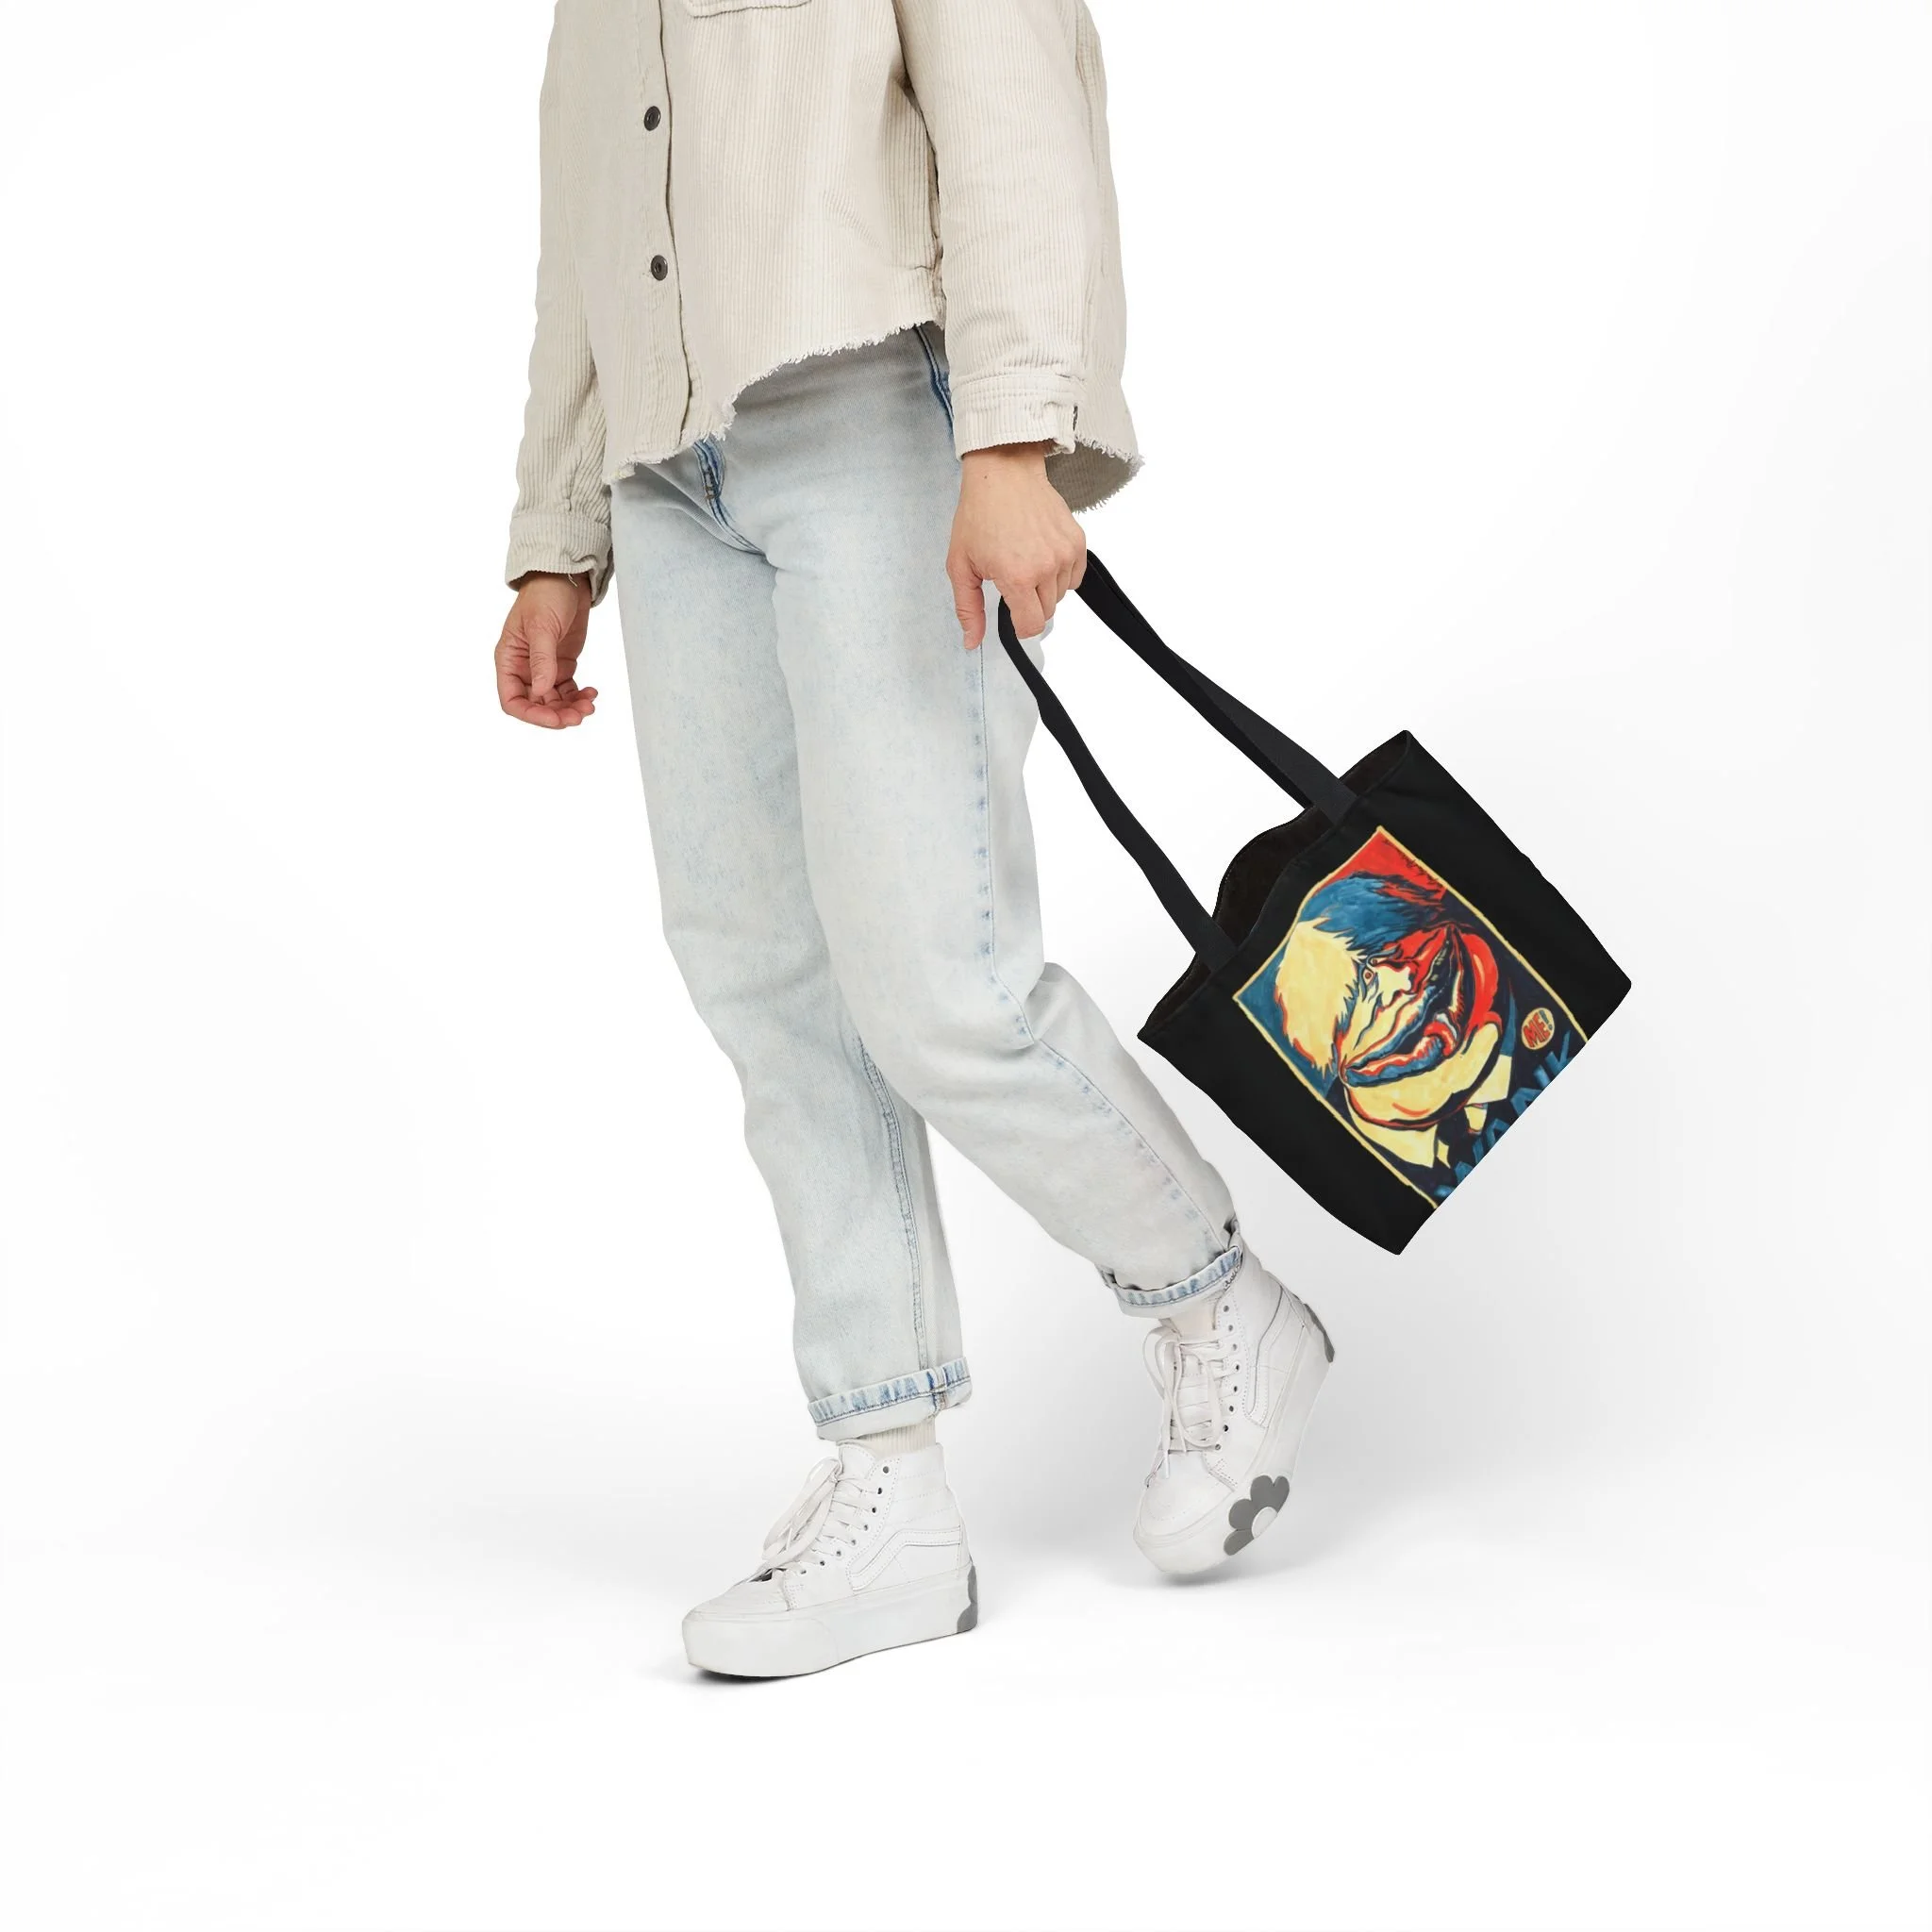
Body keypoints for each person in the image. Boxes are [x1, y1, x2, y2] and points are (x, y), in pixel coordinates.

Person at [493, 0, 1333, 1678]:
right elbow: (584, 215)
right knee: (767, 987)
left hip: (868, 410)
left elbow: (1013, 108)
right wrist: (554, 535)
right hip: (667, 472)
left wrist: (1009, 439)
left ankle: (1213, 1298)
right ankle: (887, 1476)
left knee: (940, 980)